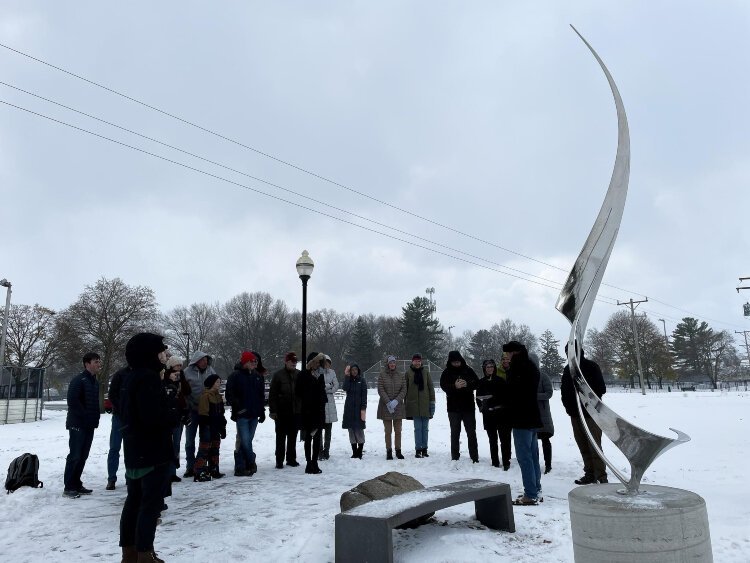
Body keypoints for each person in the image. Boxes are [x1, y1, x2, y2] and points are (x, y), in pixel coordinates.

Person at [118, 332, 176, 563]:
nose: (165, 354)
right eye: (161, 350)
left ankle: (129, 553)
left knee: (133, 501)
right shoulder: (149, 378)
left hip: (135, 449)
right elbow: (152, 416)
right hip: (152, 451)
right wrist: (173, 415)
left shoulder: (130, 376)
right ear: (150, 353)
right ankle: (145, 554)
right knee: (150, 505)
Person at [561, 344, 608, 485]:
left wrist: (585, 392)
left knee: (594, 445)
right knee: (583, 445)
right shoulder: (567, 369)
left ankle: (600, 476)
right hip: (575, 414)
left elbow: (601, 388)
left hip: (591, 414)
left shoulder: (591, 367)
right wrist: (568, 407)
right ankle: (589, 473)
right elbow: (564, 390)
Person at [503, 341, 543, 506]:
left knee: (524, 457)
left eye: (508, 353)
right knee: (533, 456)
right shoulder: (531, 366)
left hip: (521, 418)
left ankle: (530, 494)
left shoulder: (517, 368)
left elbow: (514, 392)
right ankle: (535, 488)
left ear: (514, 353)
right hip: (532, 416)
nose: (506, 357)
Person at [63, 352, 102, 498]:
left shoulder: (95, 382)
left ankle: (76, 483)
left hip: (89, 425)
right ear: (87, 363)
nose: (99, 364)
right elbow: (73, 401)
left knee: (83, 455)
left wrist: (94, 419)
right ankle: (69, 487)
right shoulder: (78, 380)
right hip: (77, 424)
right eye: (96, 361)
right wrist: (85, 416)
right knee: (75, 455)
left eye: (99, 361)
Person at [225, 351, 266, 477]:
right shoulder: (235, 376)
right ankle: (250, 461)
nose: (255, 364)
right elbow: (229, 394)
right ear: (245, 362)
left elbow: (260, 395)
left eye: (256, 362)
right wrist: (238, 406)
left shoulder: (257, 376)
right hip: (242, 414)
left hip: (254, 414)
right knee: (245, 440)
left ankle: (243, 465)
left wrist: (262, 411)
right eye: (252, 361)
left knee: (247, 441)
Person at [440, 350, 479, 462]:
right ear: (450, 362)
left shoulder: (468, 370)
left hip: (468, 407)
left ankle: (474, 456)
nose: (456, 364)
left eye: (458, 362)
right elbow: (443, 386)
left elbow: (476, 383)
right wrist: (454, 386)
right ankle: (455, 456)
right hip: (453, 408)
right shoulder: (446, 372)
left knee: (471, 432)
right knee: (455, 432)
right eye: (454, 362)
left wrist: (467, 384)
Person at [182, 351, 217, 478]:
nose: (205, 362)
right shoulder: (187, 372)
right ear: (197, 360)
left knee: (205, 439)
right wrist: (188, 405)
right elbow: (183, 391)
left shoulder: (210, 370)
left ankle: (201, 464)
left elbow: (215, 386)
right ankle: (190, 466)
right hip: (192, 410)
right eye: (202, 360)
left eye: (206, 360)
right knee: (190, 440)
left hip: (206, 411)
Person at [476, 358, 511, 469]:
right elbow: (478, 398)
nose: (490, 368)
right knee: (492, 440)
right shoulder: (481, 382)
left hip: (501, 414)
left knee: (504, 440)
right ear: (484, 369)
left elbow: (506, 397)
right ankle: (495, 461)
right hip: (488, 415)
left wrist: (495, 400)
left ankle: (506, 462)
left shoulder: (500, 381)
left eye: (491, 366)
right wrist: (482, 407)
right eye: (488, 367)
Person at [269, 352, 302, 468]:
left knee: (293, 437)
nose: (294, 363)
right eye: (292, 361)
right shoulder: (278, 375)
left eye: (295, 362)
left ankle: (291, 458)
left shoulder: (299, 374)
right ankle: (279, 460)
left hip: (296, 411)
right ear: (286, 362)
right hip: (282, 412)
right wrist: (273, 411)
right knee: (281, 437)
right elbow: (272, 394)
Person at [297, 352, 328, 474]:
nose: (317, 364)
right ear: (311, 362)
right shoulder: (303, 374)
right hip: (308, 410)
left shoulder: (320, 375)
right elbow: (298, 391)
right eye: (315, 362)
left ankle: (315, 462)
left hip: (318, 410)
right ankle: (309, 463)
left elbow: (321, 391)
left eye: (318, 362)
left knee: (317, 438)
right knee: (309, 438)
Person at [194, 374, 227, 482]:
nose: (219, 383)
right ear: (212, 383)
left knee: (215, 448)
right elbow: (203, 414)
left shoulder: (218, 395)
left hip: (216, 426)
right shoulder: (206, 396)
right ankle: (200, 471)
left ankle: (214, 468)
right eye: (217, 382)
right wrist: (207, 426)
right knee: (204, 449)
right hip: (207, 427)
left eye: (219, 382)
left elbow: (221, 413)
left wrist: (222, 426)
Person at [163, 356, 191, 484]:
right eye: (177, 366)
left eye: (180, 365)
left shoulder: (181, 377)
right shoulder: (165, 377)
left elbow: (187, 391)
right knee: (167, 445)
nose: (179, 368)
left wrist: (182, 379)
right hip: (168, 414)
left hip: (179, 414)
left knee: (176, 444)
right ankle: (166, 472)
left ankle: (172, 471)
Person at [404, 353, 435, 458]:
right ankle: (418, 449)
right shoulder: (408, 373)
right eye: (415, 361)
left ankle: (425, 449)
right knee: (417, 428)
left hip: (425, 405)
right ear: (412, 361)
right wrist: (405, 404)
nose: (417, 363)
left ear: (421, 362)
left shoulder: (426, 373)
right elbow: (405, 390)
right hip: (413, 405)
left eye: (419, 361)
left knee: (425, 429)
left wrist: (432, 402)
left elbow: (431, 388)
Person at [106, 365, 131, 491]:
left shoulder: (141, 373)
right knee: (114, 448)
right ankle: (111, 478)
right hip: (119, 416)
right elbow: (112, 395)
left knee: (130, 448)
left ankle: (130, 476)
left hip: (133, 417)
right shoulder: (120, 374)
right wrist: (121, 409)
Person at [377, 355, 406, 460]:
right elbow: (380, 388)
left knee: (398, 430)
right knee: (388, 431)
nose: (392, 364)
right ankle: (389, 451)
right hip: (386, 407)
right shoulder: (382, 375)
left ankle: (398, 450)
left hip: (398, 407)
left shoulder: (401, 375)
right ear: (388, 364)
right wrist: (388, 402)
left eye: (394, 362)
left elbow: (404, 389)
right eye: (390, 363)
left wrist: (396, 400)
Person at [530, 352, 554, 475]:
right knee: (533, 442)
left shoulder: (543, 376)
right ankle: (535, 464)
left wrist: (534, 396)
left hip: (543, 415)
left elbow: (549, 393)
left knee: (545, 440)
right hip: (530, 415)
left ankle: (548, 464)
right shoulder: (525, 377)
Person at [342, 363, 367, 459]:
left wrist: (363, 407)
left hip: (359, 409)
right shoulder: (348, 380)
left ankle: (360, 451)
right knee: (351, 430)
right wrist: (347, 377)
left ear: (358, 370)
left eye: (356, 369)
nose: (354, 371)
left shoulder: (362, 380)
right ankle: (354, 452)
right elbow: (345, 388)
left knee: (359, 430)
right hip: (349, 409)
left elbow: (364, 395)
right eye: (352, 370)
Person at [319, 355, 339, 461]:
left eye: (328, 363)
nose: (327, 365)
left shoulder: (332, 372)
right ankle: (320, 451)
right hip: (321, 404)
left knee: (328, 431)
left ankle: (327, 451)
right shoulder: (318, 372)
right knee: (319, 430)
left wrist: (328, 389)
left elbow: (336, 385)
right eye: (325, 363)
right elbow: (319, 386)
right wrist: (329, 385)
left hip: (330, 404)